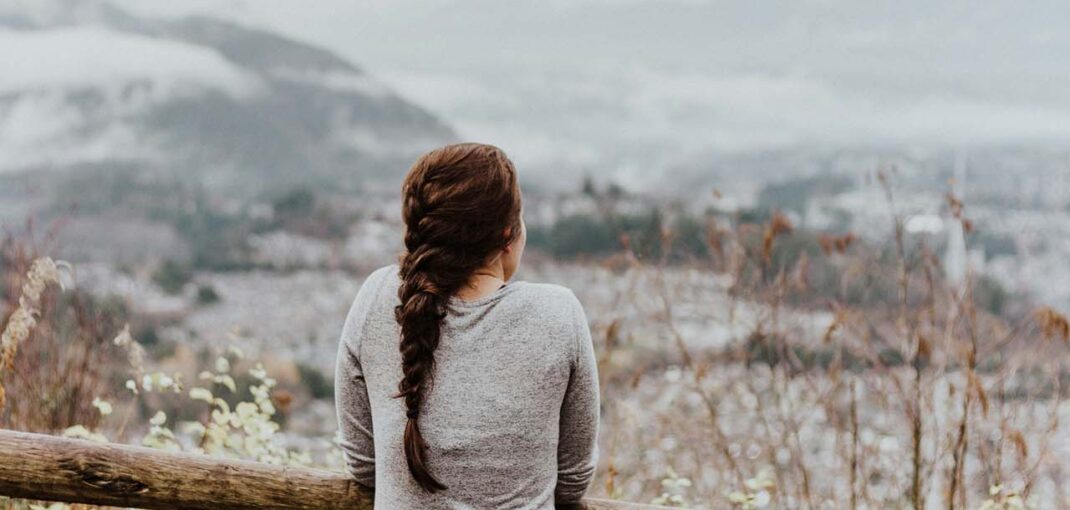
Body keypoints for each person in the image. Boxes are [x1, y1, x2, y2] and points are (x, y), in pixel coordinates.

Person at [334, 143, 600, 509]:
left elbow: (364, 467)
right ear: (508, 234)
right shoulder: (558, 313)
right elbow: (572, 482)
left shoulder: (378, 296)